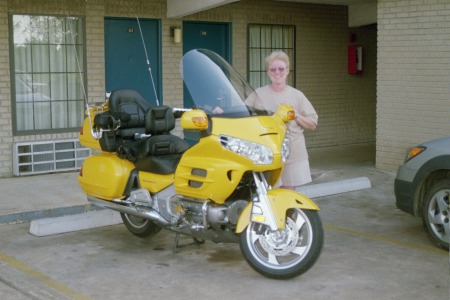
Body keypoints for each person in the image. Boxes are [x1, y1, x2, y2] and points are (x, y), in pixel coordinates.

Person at [245, 50, 318, 190]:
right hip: (267, 152)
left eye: (281, 68)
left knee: (288, 195)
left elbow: (313, 124)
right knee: (269, 194)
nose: (277, 72)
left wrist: (296, 115)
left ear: (287, 71)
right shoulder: (258, 94)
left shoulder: (297, 95)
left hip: (293, 152)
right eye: (272, 69)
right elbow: (242, 113)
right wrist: (221, 111)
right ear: (267, 72)